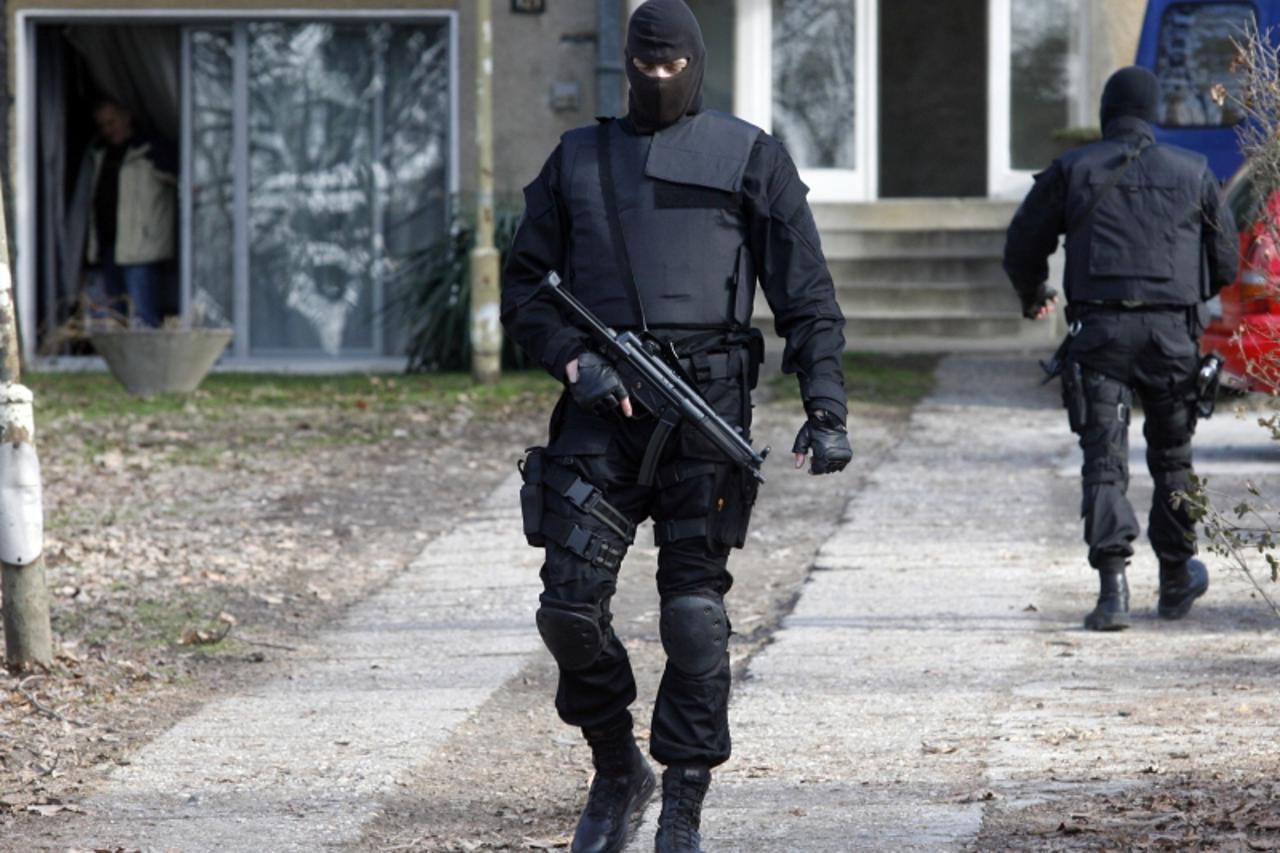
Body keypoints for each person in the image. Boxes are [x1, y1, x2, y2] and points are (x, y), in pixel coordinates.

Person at [500, 1, 852, 849]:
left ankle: (685, 801)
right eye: (645, 67)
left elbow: (806, 296)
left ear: (696, 62)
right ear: (626, 64)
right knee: (568, 611)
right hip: (602, 412)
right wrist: (575, 361)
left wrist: (826, 408)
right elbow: (525, 287)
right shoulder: (577, 159)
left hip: (706, 415)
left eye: (674, 67)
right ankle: (618, 768)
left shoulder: (751, 157)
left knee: (693, 618)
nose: (659, 81)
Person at [1003, 66, 1238, 632]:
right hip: (1171, 337)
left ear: (1107, 113)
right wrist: (1180, 296)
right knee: (1173, 458)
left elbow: (1021, 245)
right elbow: (1226, 262)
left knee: (1104, 462)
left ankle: (1113, 591)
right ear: (1153, 113)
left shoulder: (1073, 169)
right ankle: (1176, 577)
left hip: (1100, 335)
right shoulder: (1194, 171)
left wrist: (1035, 293)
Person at [86, 97, 177, 328]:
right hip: (108, 247)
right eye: (103, 125)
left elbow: (185, 177)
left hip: (141, 249)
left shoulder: (150, 150)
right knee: (114, 321)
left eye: (112, 122)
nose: (108, 130)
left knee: (143, 320)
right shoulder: (100, 153)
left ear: (127, 117)